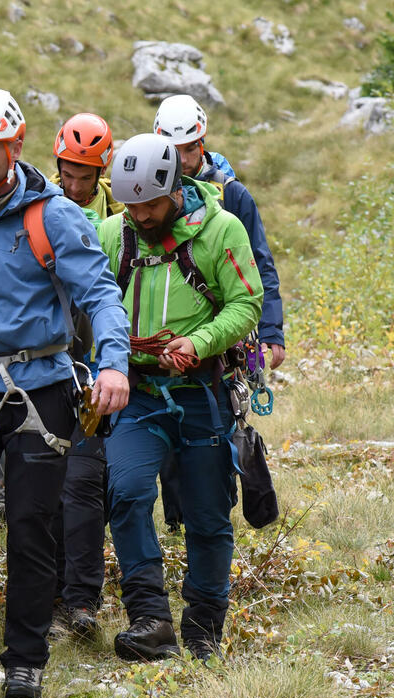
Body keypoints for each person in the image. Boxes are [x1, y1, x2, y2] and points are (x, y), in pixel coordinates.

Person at [0, 88, 130, 698]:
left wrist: (113, 365)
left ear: (14, 146)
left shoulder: (54, 216)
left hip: (42, 389)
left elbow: (99, 294)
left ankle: (25, 658)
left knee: (30, 524)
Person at [97, 133, 263, 662]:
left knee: (208, 513)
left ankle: (203, 625)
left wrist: (199, 341)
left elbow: (246, 303)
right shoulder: (110, 234)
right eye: (131, 204)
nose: (140, 215)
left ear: (173, 188)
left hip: (203, 393)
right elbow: (92, 300)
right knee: (125, 493)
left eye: (149, 203)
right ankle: (150, 619)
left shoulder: (222, 231)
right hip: (136, 393)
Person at [153, 94, 286, 531]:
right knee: (169, 430)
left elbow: (260, 262)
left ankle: (214, 512)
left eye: (189, 150)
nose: (183, 160)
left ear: (202, 144)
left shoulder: (232, 196)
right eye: (174, 152)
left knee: (218, 425)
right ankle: (178, 520)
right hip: (166, 333)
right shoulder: (147, 194)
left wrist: (271, 331)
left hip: (226, 338)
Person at [43, 112, 124, 641]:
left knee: (85, 482)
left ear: (102, 173)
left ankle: (82, 598)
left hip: (96, 368)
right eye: (69, 173)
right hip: (48, 366)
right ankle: (47, 589)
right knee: (44, 483)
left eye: (85, 175)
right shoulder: (38, 209)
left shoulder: (121, 217)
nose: (75, 184)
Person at [49, 112, 124, 220]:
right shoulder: (41, 201)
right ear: (59, 167)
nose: (75, 188)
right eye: (68, 175)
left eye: (85, 178)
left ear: (102, 170)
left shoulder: (120, 208)